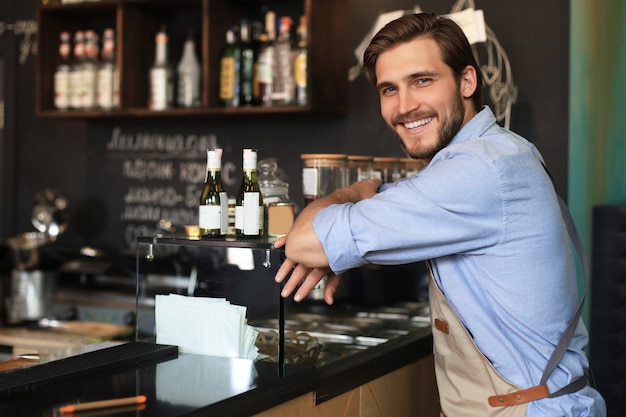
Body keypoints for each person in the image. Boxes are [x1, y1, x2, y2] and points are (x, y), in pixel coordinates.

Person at [273, 12, 606, 417]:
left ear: (467, 81)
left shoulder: (478, 170)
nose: (404, 106)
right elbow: (363, 220)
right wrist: (348, 228)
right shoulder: (493, 153)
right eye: (388, 89)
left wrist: (349, 197)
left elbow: (306, 240)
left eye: (422, 81)